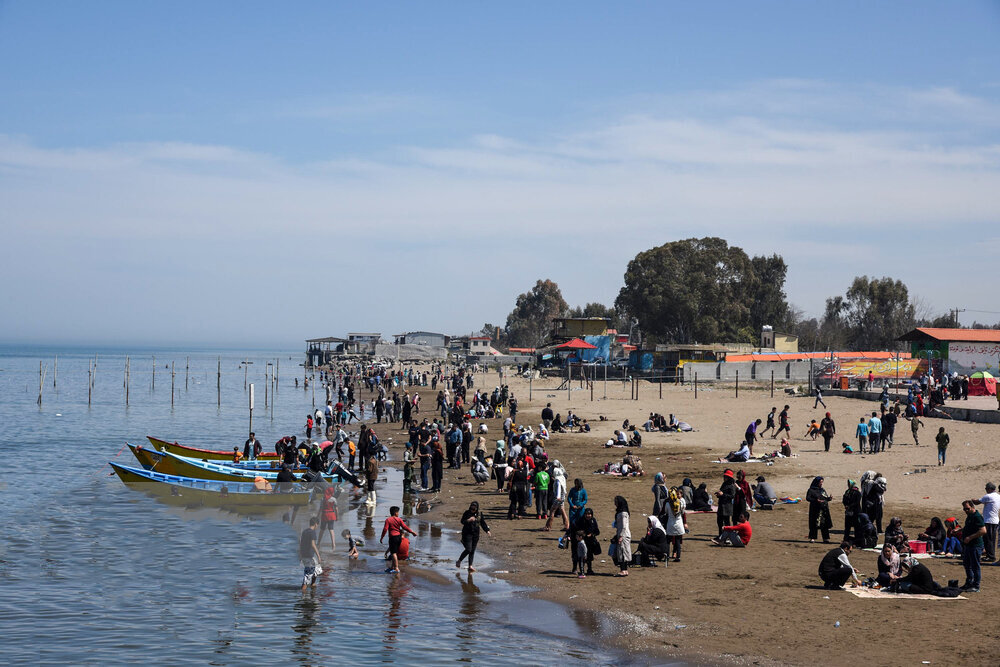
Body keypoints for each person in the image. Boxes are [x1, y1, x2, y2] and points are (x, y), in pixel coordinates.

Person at [456, 501, 491, 572]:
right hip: (467, 533)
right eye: (472, 507)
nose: (473, 509)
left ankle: (470, 566)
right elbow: (462, 521)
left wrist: (487, 530)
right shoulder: (467, 513)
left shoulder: (479, 514)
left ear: (477, 508)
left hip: (476, 534)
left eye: (474, 508)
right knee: (468, 549)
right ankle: (459, 561)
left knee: (472, 551)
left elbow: (483, 523)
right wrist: (468, 520)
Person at [380, 505, 417, 574]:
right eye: (398, 512)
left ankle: (396, 568)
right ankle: (392, 567)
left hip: (393, 537)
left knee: (393, 553)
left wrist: (382, 537)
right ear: (396, 513)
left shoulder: (388, 520)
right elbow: (405, 527)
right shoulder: (399, 519)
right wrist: (412, 532)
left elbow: (385, 529)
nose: (398, 513)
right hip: (398, 537)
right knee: (395, 552)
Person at [970, 482, 999, 563]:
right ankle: (990, 555)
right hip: (995, 520)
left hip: (989, 520)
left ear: (989, 489)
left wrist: (972, 500)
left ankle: (991, 556)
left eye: (986, 488)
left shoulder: (988, 496)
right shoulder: (997, 496)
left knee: (988, 539)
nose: (985, 490)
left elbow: (977, 502)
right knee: (991, 539)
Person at [961, 500, 986, 592]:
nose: (966, 511)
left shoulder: (977, 517)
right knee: (967, 564)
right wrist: (959, 531)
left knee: (975, 566)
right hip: (968, 545)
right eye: (964, 509)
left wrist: (970, 537)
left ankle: (976, 586)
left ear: (972, 507)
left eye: (967, 509)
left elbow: (983, 531)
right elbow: (968, 527)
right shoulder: (970, 516)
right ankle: (969, 582)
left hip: (975, 545)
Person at [573, 507, 600, 576]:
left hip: (590, 542)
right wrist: (583, 535)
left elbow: (597, 531)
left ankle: (589, 569)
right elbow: (576, 529)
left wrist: (592, 534)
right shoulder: (581, 521)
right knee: (581, 556)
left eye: (589, 514)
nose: (588, 516)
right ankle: (578, 570)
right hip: (582, 542)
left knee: (589, 556)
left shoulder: (593, 521)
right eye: (586, 514)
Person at [806, 476, 833, 543]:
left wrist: (829, 498)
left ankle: (825, 538)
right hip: (815, 510)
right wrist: (816, 500)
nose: (821, 484)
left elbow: (825, 498)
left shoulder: (822, 490)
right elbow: (808, 498)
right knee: (814, 524)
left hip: (823, 510)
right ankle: (812, 538)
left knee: (824, 524)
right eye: (820, 482)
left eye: (822, 482)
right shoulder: (811, 490)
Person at [663, 486, 686, 561]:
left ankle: (667, 556)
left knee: (668, 541)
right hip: (679, 524)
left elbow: (666, 512)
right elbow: (683, 512)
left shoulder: (667, 504)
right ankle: (678, 557)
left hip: (670, 524)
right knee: (678, 542)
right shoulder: (681, 502)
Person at [299, 517, 322, 592]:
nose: (317, 527)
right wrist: (318, 555)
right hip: (309, 556)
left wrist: (300, 554)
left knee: (317, 569)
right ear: (316, 524)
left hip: (305, 555)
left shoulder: (304, 531)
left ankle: (312, 584)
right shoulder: (312, 532)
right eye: (317, 525)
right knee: (308, 574)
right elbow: (313, 544)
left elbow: (301, 543)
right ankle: (303, 592)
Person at [613, 496, 631, 576]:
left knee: (623, 553)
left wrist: (620, 536)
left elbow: (624, 526)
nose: (615, 503)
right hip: (621, 534)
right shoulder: (621, 512)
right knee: (622, 552)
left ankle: (623, 570)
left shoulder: (623, 513)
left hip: (623, 535)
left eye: (616, 501)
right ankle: (624, 570)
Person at [316, 486, 338, 551]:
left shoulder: (323, 499)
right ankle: (333, 544)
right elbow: (336, 509)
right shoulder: (334, 499)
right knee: (331, 529)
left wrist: (317, 517)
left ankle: (318, 543)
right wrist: (337, 516)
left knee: (322, 529)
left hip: (324, 515)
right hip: (331, 515)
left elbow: (320, 509)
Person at [715, 470, 736, 536]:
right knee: (719, 522)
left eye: (726, 477)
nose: (724, 478)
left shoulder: (732, 486)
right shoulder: (724, 484)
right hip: (721, 505)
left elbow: (732, 496)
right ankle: (720, 536)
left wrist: (723, 494)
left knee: (727, 522)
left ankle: (727, 536)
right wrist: (718, 494)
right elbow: (721, 491)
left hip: (727, 506)